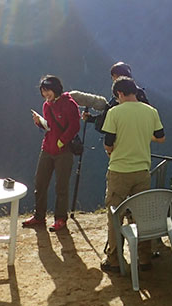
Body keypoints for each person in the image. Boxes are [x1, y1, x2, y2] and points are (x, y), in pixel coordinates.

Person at [100, 76, 165, 273]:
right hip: (142, 171)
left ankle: (114, 260)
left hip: (119, 171)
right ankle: (144, 259)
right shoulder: (150, 111)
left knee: (115, 215)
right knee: (140, 215)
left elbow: (108, 142)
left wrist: (110, 151)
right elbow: (160, 137)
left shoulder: (115, 112)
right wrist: (143, 135)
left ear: (119, 93)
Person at [24, 75, 80, 232]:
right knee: (40, 183)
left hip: (64, 151)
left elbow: (74, 126)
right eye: (43, 91)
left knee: (61, 186)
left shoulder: (70, 104)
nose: (45, 94)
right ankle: (39, 216)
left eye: (47, 91)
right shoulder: (46, 106)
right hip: (47, 148)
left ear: (56, 89)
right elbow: (50, 127)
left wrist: (62, 141)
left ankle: (60, 218)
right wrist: (39, 123)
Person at [69, 61, 150, 131]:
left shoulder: (122, 96)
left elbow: (110, 119)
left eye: (114, 77)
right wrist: (91, 119)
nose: (113, 80)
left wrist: (91, 119)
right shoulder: (135, 93)